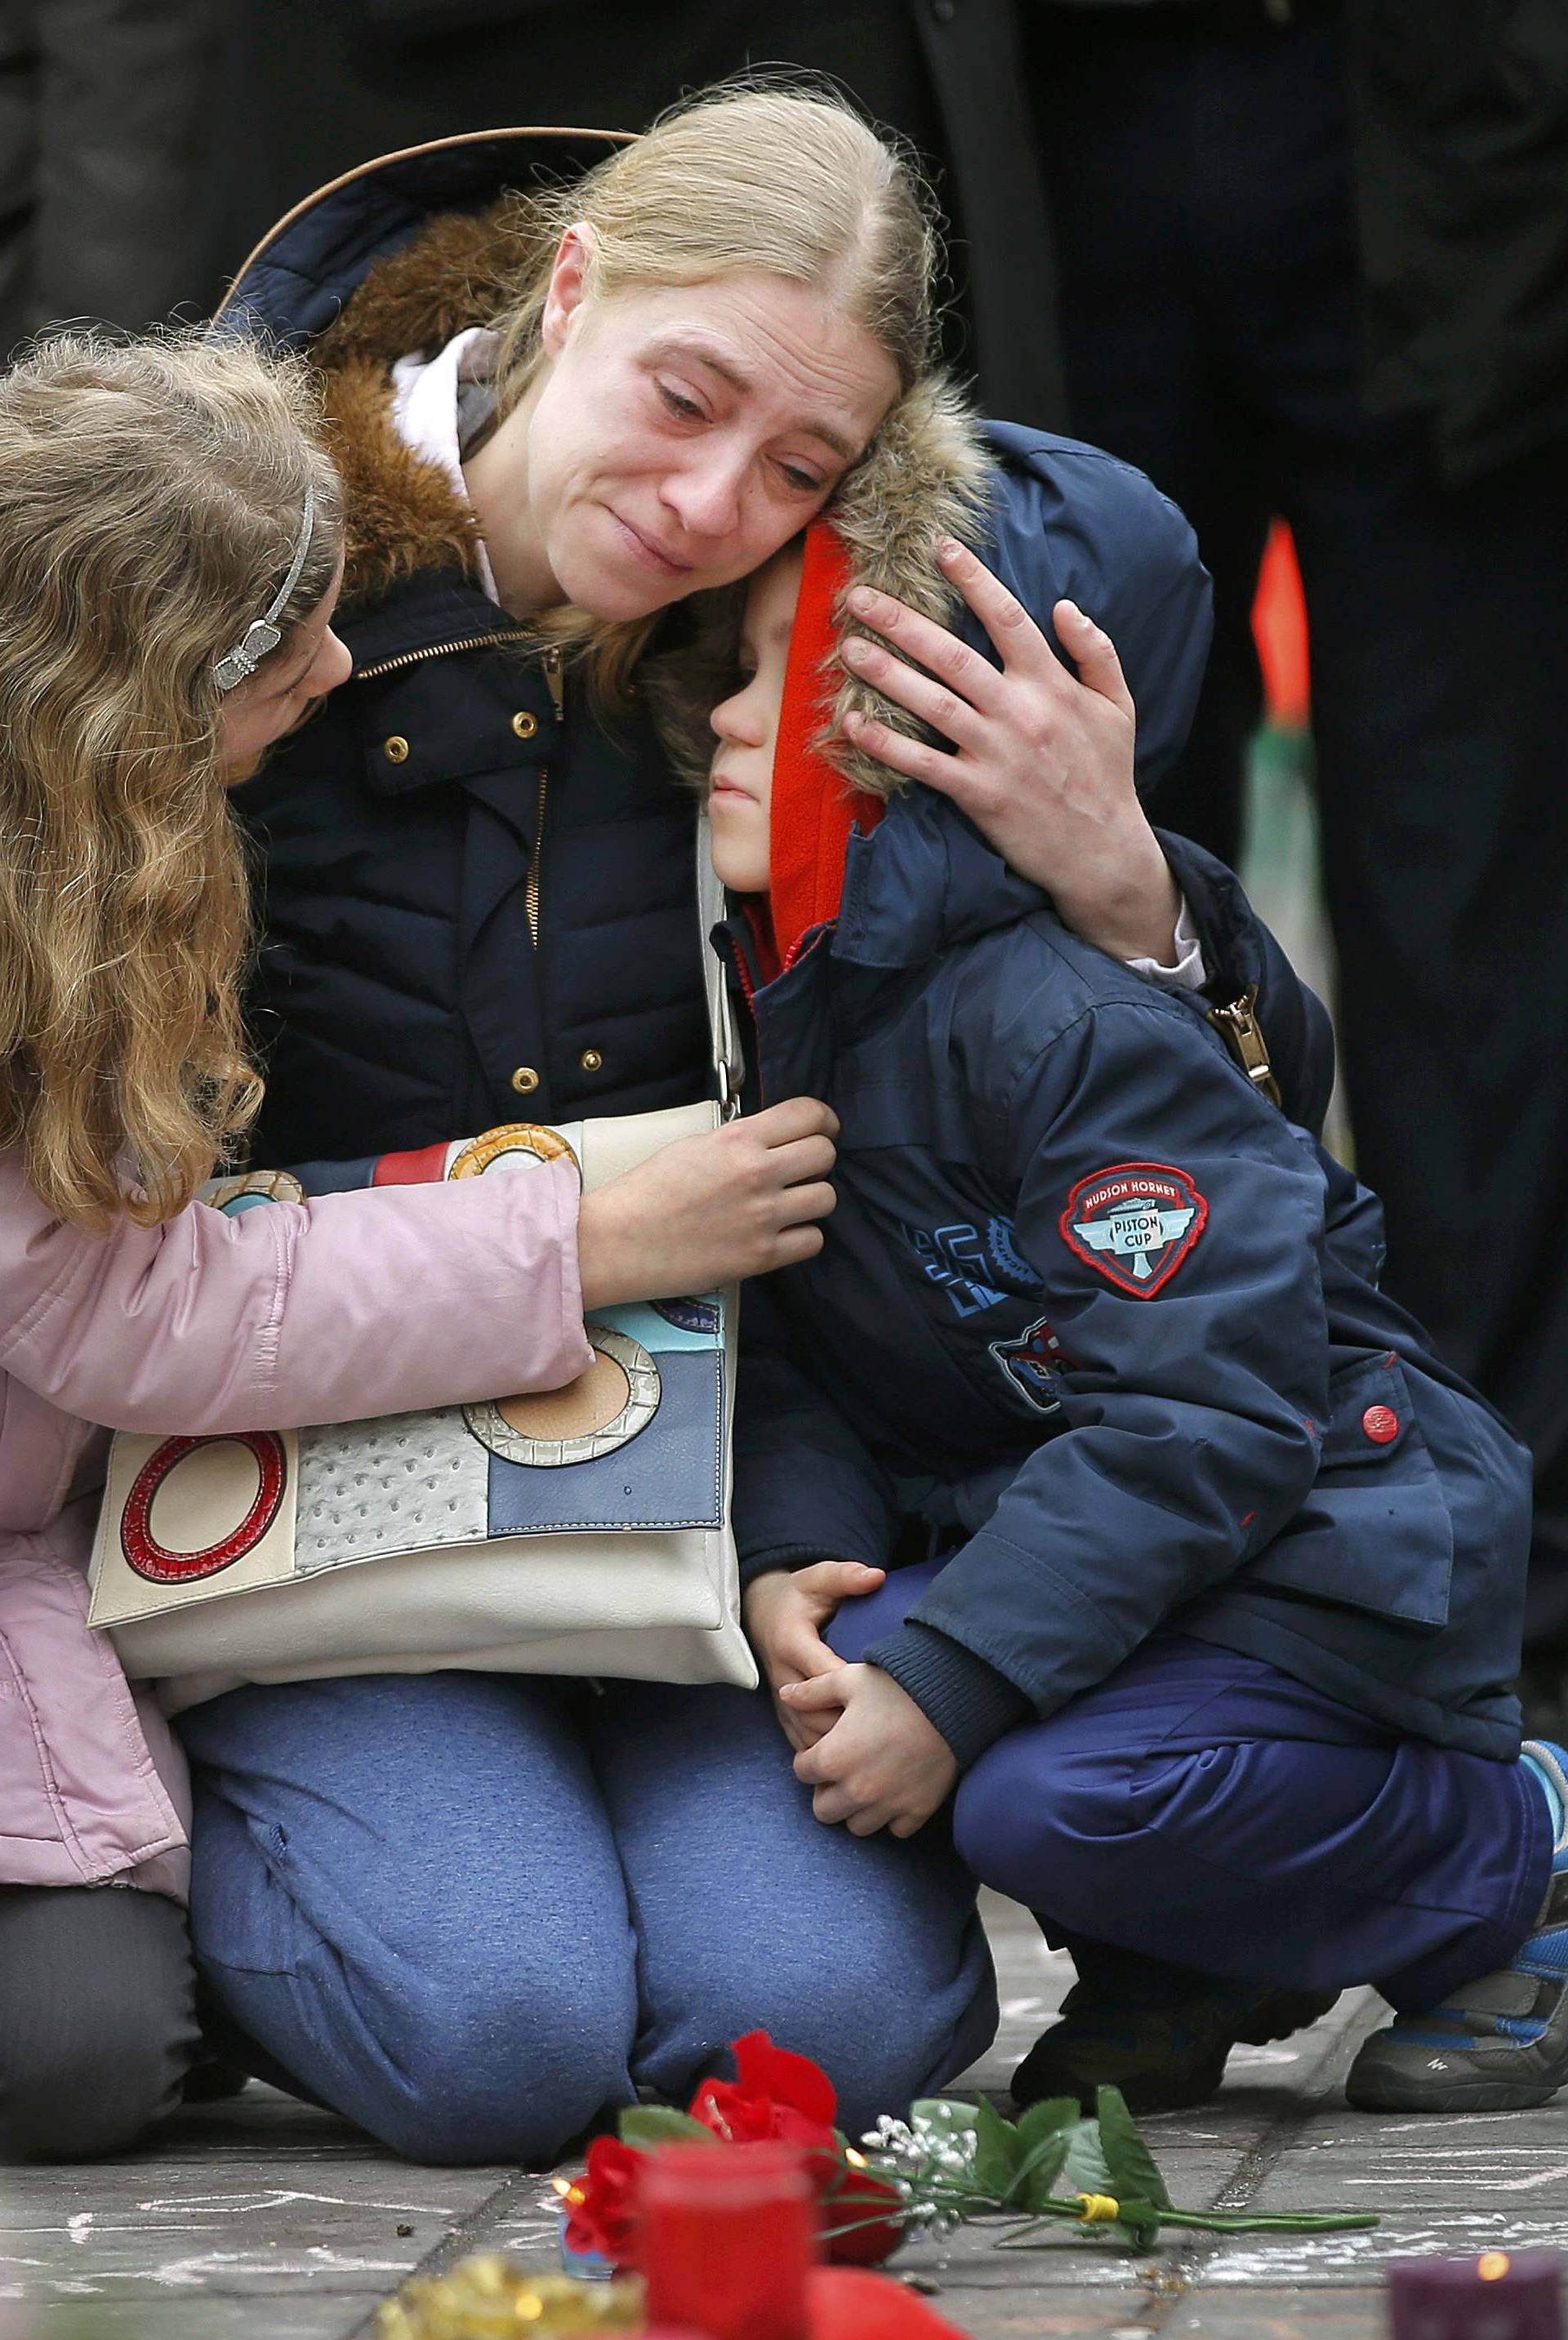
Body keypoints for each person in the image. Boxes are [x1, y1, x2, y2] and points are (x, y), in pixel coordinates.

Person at [189, 80, 1327, 2163]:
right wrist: (569, 1238)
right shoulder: (235, 561)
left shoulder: (792, 649)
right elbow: (94, 1218)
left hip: (704, 1505)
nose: (715, 500)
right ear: (570, 278)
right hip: (301, 1507)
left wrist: (1125, 884)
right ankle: (169, 1879)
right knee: (499, 2035)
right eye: (684, 397)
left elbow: (1156, 1134)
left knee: (825, 2023)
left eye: (798, 462)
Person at [0, 332, 844, 2162]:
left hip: (104, 1530)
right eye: (281, 648)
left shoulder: (116, 834)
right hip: (138, 1527)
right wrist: (591, 1238)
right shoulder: (66, 897)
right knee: (105, 2050)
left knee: (826, 2008)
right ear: (128, 706)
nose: (330, 663)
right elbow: (116, 1314)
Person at [683, 458, 1561, 2119]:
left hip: (1321, 1553)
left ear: (946, 724)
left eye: (780, 678)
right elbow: (788, 1323)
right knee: (836, 1677)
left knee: (1025, 1780)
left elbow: (1208, 1419)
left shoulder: (1064, 1014)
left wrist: (951, 1681)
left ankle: (1511, 1845)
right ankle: (1201, 1948)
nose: (722, 720)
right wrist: (802, 1544)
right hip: (1091, 1536)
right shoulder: (784, 983)